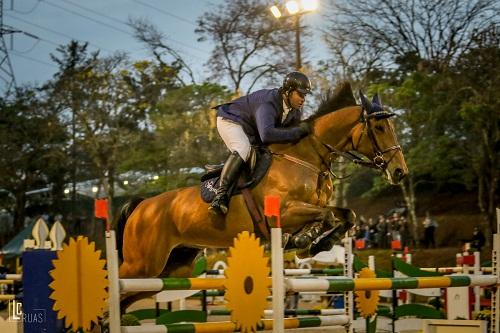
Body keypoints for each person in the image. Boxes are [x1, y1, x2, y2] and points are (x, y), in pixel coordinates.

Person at [209, 71, 313, 215]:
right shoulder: (268, 103)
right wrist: (298, 132)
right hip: (231, 120)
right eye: (300, 94)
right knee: (243, 148)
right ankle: (220, 197)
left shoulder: (295, 111)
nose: (303, 99)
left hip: (252, 128)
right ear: (288, 91)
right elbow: (267, 135)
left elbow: (289, 140)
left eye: (305, 95)